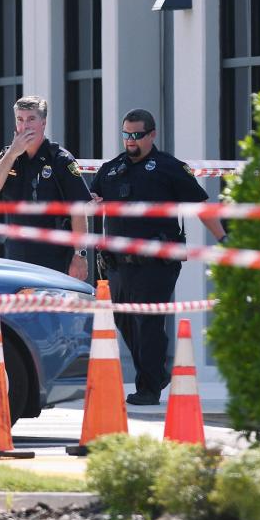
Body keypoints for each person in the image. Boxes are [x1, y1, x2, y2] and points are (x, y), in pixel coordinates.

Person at [89, 109, 227, 406]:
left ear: (152, 135)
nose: (131, 141)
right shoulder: (111, 169)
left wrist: (224, 240)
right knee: (125, 321)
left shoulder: (170, 168)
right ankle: (158, 373)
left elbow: (202, 206)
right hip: (117, 264)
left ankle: (148, 388)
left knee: (148, 324)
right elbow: (90, 200)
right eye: (126, 135)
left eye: (137, 135)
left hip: (156, 264)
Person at [0, 95, 93, 280]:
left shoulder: (60, 159)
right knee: (20, 309)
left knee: (52, 308)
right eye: (20, 119)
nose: (25, 126)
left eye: (31, 119)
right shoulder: (9, 157)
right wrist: (11, 154)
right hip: (17, 254)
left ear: (43, 122)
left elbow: (78, 211)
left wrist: (80, 255)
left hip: (53, 256)